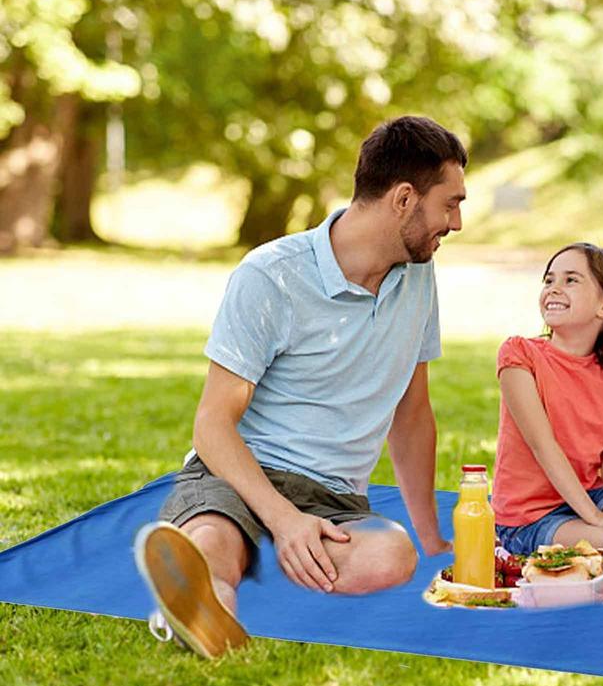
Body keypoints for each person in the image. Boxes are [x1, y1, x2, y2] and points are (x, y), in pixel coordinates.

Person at [135, 116, 466, 658]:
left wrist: (430, 537)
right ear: (404, 199)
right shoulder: (271, 276)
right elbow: (212, 425)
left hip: (334, 498)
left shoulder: (418, 275)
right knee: (215, 536)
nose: (456, 223)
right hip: (240, 474)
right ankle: (207, 605)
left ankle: (240, 568)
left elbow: (411, 414)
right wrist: (284, 519)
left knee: (392, 557)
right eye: (449, 205)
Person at [492, 243, 603, 556]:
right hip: (529, 518)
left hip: (591, 494)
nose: (554, 288)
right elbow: (544, 447)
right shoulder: (519, 355)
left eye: (571, 280)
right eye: (549, 280)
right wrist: (595, 519)